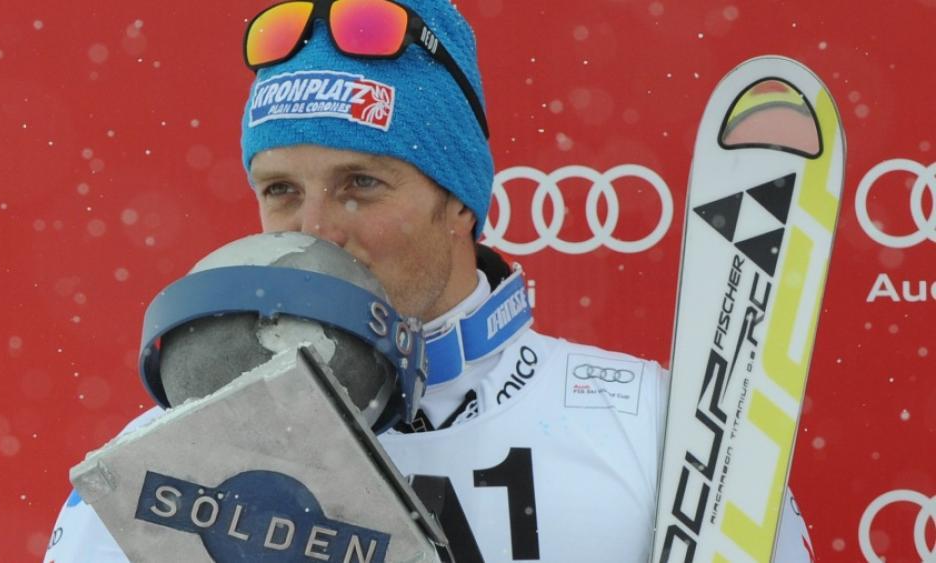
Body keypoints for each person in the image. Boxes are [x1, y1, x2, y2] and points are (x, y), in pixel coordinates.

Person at [44, 1, 814, 561]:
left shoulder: (659, 429)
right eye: (282, 190)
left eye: (360, 185)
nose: (316, 229)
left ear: (458, 202)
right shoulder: (163, 464)